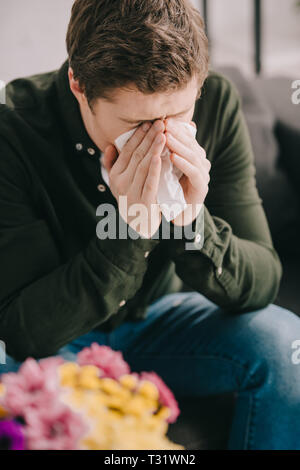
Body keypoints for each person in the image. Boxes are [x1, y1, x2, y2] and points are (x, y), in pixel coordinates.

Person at [0, 0, 300, 450]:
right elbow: (25, 331)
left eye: (177, 118)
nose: (159, 141)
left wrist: (190, 221)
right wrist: (128, 229)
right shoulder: (15, 132)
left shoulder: (215, 100)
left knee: (286, 346)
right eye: (137, 124)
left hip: (164, 317)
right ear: (79, 86)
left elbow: (263, 279)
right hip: (61, 337)